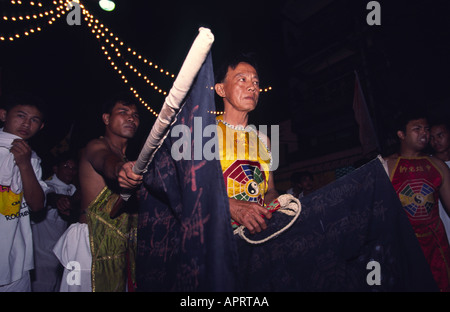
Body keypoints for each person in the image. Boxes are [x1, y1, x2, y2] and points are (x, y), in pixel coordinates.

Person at [77, 96, 143, 292]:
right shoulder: (96, 146)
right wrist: (120, 169)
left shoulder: (128, 158)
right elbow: (107, 162)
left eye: (135, 115)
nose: (131, 118)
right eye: (123, 112)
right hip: (90, 245)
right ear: (106, 118)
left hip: (119, 246)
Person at [382, 110, 450, 291]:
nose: (425, 134)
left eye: (426, 129)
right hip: (403, 248)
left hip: (437, 246)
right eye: (417, 128)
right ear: (401, 134)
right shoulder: (385, 166)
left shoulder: (438, 166)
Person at [214, 54, 278, 234]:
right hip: (217, 236)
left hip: (258, 232)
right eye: (242, 80)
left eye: (256, 82)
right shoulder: (204, 134)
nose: (252, 87)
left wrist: (269, 207)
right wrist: (230, 206)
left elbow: (270, 189)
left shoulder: (264, 140)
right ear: (221, 89)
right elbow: (189, 191)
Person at [0, 95, 49, 292]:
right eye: (21, 116)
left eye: (34, 120)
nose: (26, 124)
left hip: (15, 262)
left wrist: (24, 164)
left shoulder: (32, 159)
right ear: (3, 115)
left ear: (41, 127)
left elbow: (37, 205)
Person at [30, 152, 79, 292]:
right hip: (42, 255)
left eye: (73, 168)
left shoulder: (73, 189)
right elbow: (50, 196)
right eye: (66, 166)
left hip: (61, 256)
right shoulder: (47, 185)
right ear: (55, 169)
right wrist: (59, 201)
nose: (70, 171)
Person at [430, 120, 450, 242]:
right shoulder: (428, 165)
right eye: (432, 138)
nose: (436, 141)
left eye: (440, 135)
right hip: (442, 234)